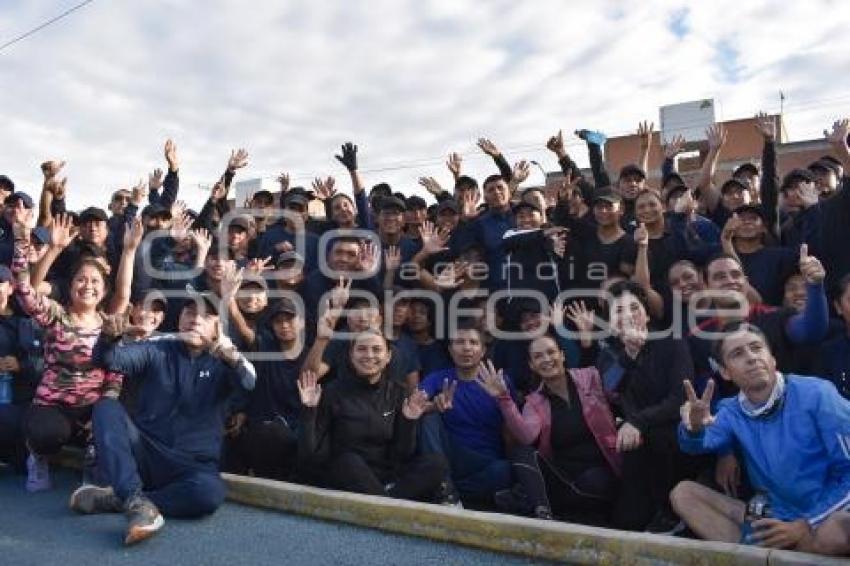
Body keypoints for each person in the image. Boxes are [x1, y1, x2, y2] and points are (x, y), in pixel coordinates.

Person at [71, 291, 257, 545]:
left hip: (192, 466)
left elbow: (249, 384)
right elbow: (109, 360)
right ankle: (134, 501)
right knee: (106, 408)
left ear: (218, 327)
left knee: (209, 494)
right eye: (190, 312)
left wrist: (231, 355)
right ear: (180, 319)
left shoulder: (226, 362)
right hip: (145, 454)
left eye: (206, 316)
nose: (196, 320)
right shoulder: (157, 348)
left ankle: (127, 500)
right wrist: (108, 338)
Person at [671, 323, 850, 557]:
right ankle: (764, 555)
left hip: (823, 516)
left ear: (772, 358)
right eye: (737, 354)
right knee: (683, 494)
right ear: (725, 372)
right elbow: (698, 444)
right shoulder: (730, 410)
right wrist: (693, 428)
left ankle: (773, 556)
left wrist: (807, 524)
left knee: (839, 530)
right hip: (774, 518)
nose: (752, 358)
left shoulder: (818, 394)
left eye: (756, 348)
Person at [11, 217, 141, 492]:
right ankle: (38, 456)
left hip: (93, 405)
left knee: (113, 418)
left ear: (103, 290)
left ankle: (95, 460)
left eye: (95, 281)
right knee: (47, 433)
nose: (88, 285)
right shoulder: (57, 316)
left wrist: (129, 252)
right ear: (70, 288)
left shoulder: (109, 321)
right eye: (81, 279)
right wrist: (28, 243)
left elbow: (124, 292)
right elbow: (24, 290)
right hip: (53, 404)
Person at [479, 334, 621, 524]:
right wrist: (504, 399)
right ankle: (542, 513)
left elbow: (619, 390)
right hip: (561, 479)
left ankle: (527, 499)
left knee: (595, 480)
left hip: (601, 475)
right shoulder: (534, 401)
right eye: (538, 356)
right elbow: (527, 437)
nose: (546, 359)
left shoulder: (591, 376)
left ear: (562, 355)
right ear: (532, 365)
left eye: (551, 352)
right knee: (522, 451)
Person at [297, 330, 447, 502]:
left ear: (388, 356)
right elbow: (309, 457)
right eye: (361, 349)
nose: (369, 355)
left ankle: (384, 501)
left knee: (437, 463)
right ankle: (388, 505)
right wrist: (309, 410)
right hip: (346, 476)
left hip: (386, 479)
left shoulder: (398, 392)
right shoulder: (332, 392)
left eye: (376, 350)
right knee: (348, 461)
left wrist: (409, 421)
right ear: (351, 355)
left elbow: (402, 454)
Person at [418, 323, 518, 505]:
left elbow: (512, 430)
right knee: (429, 418)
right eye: (459, 342)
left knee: (504, 471)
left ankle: (450, 493)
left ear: (482, 350)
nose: (466, 348)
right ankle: (443, 485)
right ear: (450, 350)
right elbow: (414, 406)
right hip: (448, 456)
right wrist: (433, 406)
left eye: (473, 342)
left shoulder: (499, 381)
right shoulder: (437, 378)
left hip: (485, 461)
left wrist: (503, 398)